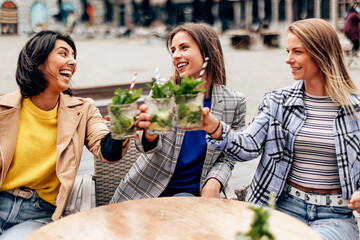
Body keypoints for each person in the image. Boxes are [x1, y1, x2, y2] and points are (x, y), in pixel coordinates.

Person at [201, 18, 360, 240]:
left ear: (321, 53)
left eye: (297, 52)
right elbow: (248, 147)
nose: (288, 59)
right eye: (287, 51)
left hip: (335, 216)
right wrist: (214, 126)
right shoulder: (278, 101)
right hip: (281, 207)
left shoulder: (356, 109)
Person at [0, 30, 128, 239]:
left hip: (37, 213)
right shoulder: (3, 108)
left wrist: (122, 129)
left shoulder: (83, 110)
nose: (73, 62)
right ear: (38, 61)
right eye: (64, 54)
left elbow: (107, 151)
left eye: (73, 56)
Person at [110, 22, 246, 202]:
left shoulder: (234, 101)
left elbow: (231, 154)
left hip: (196, 196)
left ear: (207, 52)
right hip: (147, 190)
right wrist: (150, 134)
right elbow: (143, 148)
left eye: (184, 48)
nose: (176, 55)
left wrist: (215, 181)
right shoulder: (163, 89)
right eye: (173, 50)